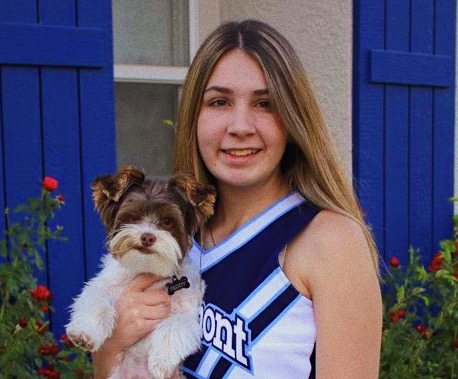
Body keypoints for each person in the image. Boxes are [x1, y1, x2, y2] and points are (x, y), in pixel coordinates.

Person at [93, 19, 382, 379]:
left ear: (293, 120)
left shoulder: (330, 240)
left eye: (265, 103)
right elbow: (109, 369)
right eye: (219, 101)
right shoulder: (173, 232)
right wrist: (114, 342)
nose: (240, 126)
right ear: (194, 116)